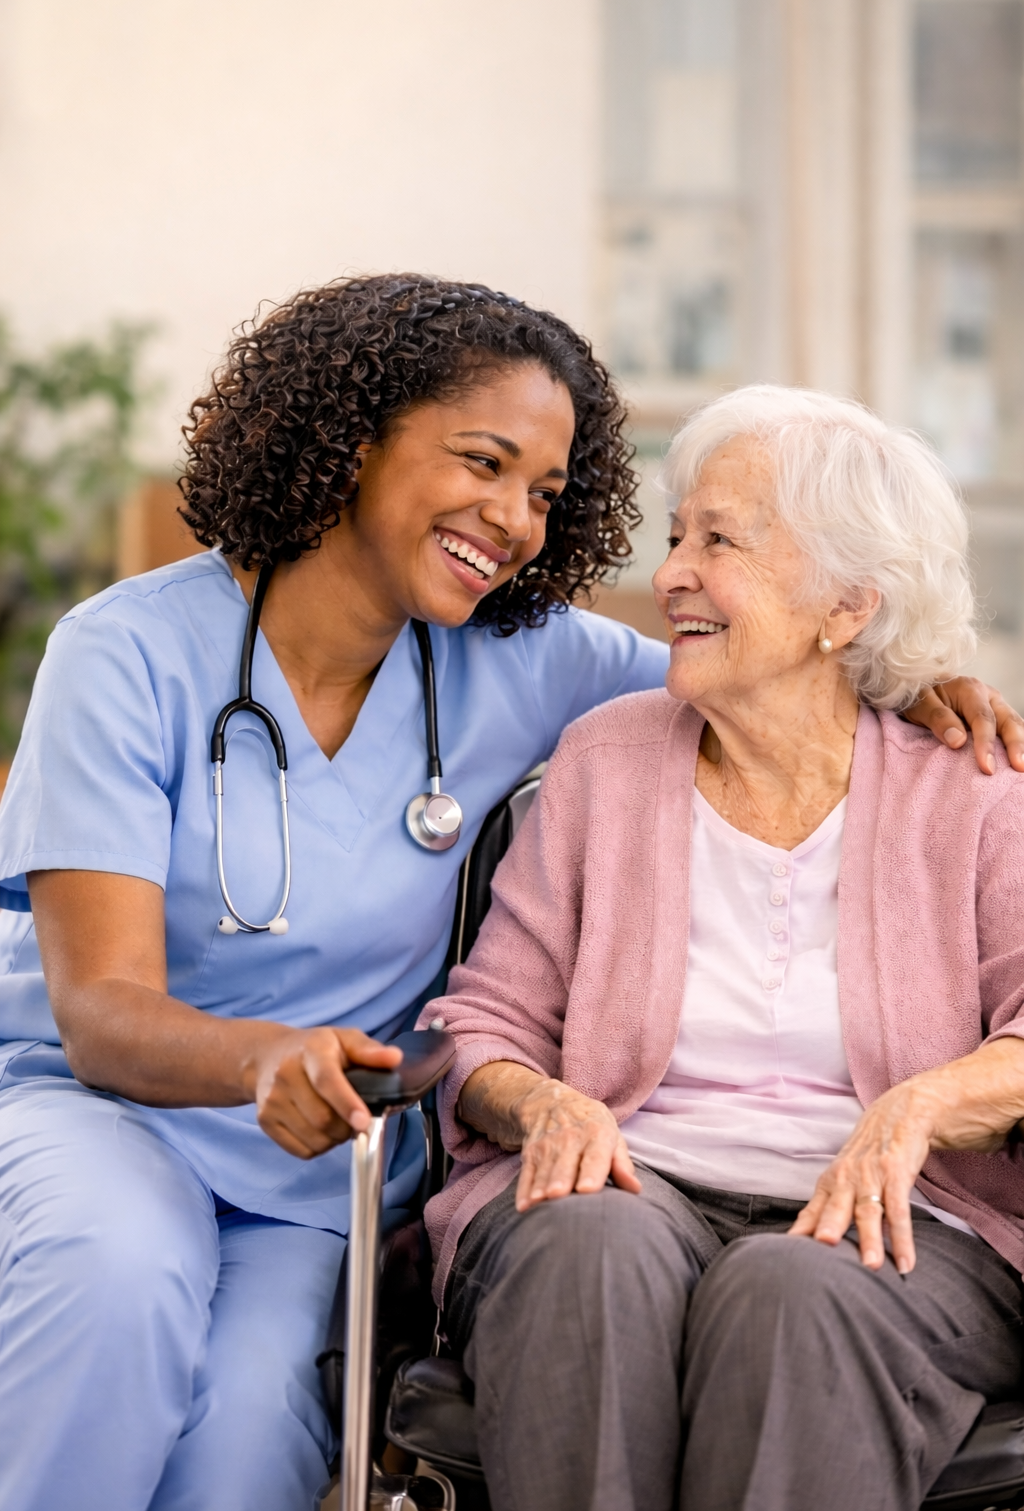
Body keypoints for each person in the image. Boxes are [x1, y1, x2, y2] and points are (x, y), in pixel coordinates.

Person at [0, 283, 1011, 1511]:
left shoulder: (525, 656)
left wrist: (921, 684)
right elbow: (102, 1011)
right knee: (114, 1285)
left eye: (544, 492)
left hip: (321, 1163)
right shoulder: (124, 652)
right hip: (115, 1105)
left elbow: (766, 674)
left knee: (252, 1432)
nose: (516, 520)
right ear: (351, 438)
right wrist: (271, 1058)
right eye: (483, 463)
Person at [421, 384, 1024, 1511]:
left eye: (719, 542)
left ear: (847, 605)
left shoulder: (976, 794)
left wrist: (922, 1106)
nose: (670, 576)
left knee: (793, 1294)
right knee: (587, 1254)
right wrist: (543, 1103)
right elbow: (482, 1024)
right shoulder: (606, 761)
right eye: (675, 538)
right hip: (624, 1189)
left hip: (907, 1226)